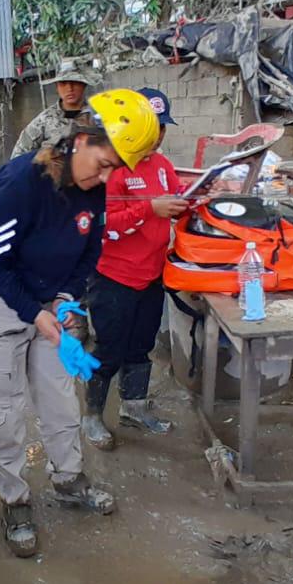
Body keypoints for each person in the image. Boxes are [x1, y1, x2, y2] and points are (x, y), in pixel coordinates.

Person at [0, 89, 160, 557]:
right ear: (81, 138)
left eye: (117, 168)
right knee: (4, 410)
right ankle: (14, 500)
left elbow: (90, 254)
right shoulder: (20, 181)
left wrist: (63, 301)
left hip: (49, 304)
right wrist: (34, 311)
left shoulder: (93, 192)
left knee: (59, 398)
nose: (107, 175)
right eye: (105, 161)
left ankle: (69, 479)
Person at [82, 87, 188, 451]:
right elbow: (102, 225)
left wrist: (195, 194)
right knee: (109, 348)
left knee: (140, 347)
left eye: (163, 127)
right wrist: (149, 210)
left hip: (152, 274)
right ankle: (92, 416)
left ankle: (134, 406)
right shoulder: (111, 169)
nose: (158, 135)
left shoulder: (162, 165)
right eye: (153, 127)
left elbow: (175, 195)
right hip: (114, 278)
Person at [10, 59, 99, 158]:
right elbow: (18, 156)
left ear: (84, 84)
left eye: (75, 82)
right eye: (63, 83)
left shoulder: (99, 117)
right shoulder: (43, 121)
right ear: (57, 87)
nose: (69, 88)